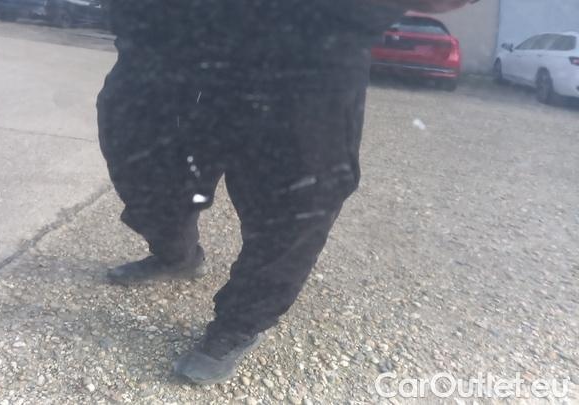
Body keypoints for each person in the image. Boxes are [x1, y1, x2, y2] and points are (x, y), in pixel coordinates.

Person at [97, 0, 471, 385]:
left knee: (296, 198)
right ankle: (175, 254)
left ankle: (239, 323)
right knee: (144, 161)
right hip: (175, 34)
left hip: (311, 46)